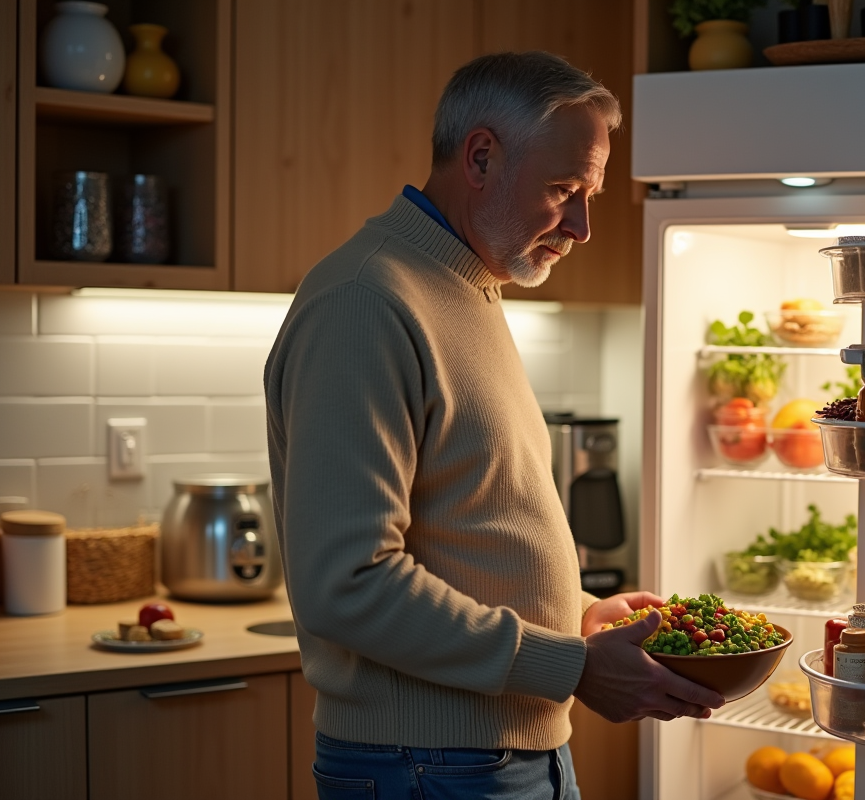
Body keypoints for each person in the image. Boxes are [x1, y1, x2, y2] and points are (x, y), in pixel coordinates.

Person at [264, 51, 724, 799]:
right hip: (428, 765)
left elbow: (467, 527)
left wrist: (576, 620)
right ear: (480, 157)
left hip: (499, 755)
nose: (581, 225)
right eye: (562, 189)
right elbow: (347, 583)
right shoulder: (366, 302)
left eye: (589, 194)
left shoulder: (466, 285)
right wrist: (571, 667)